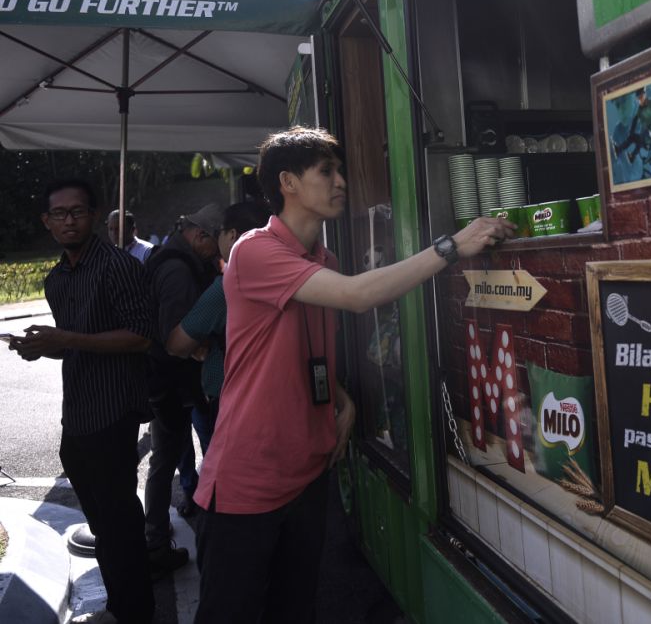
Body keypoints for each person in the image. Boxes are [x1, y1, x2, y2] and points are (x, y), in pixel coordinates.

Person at [192, 126, 514, 623]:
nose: (341, 181)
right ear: (288, 182)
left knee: (294, 610)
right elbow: (359, 295)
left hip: (306, 471)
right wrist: (451, 248)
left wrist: (340, 396)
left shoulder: (325, 260)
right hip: (248, 477)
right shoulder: (254, 251)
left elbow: (296, 350)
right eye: (327, 171)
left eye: (340, 170)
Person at [9, 179, 155, 624]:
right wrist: (40, 346)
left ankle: (134, 611)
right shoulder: (57, 278)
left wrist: (66, 338)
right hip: (77, 412)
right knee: (101, 520)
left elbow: (140, 336)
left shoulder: (118, 267)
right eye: (59, 214)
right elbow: (72, 343)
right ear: (47, 222)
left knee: (119, 522)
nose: (68, 220)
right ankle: (121, 603)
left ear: (94, 216)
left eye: (77, 212)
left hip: (114, 409)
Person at [165, 202, 272, 485]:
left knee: (234, 483)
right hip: (277, 399)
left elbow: (176, 344)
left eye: (220, 234)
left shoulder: (227, 285)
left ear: (233, 235)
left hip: (232, 400)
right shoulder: (283, 274)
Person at [143, 203, 222, 576]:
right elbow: (174, 335)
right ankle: (160, 541)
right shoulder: (177, 269)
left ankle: (156, 534)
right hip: (175, 384)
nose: (217, 253)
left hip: (165, 381)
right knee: (185, 458)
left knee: (165, 458)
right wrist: (205, 347)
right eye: (215, 244)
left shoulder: (170, 257)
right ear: (200, 235)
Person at [613, 86, 651, 164]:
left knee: (643, 134)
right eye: (638, 98)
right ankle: (619, 150)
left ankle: (632, 156)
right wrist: (631, 131)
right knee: (633, 137)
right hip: (644, 137)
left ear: (645, 94)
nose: (640, 99)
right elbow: (635, 120)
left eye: (641, 96)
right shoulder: (640, 109)